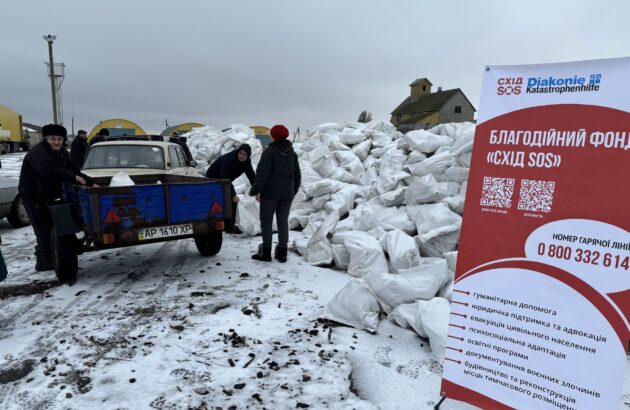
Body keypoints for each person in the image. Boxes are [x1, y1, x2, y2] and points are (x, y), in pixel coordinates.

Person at [18, 124, 97, 273]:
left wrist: (90, 182)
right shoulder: (38, 153)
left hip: (50, 194)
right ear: (45, 138)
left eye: (59, 139)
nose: (56, 142)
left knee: (55, 226)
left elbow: (73, 169)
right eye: (52, 139)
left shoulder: (62, 153)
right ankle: (44, 262)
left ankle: (55, 256)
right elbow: (49, 172)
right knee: (42, 229)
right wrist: (74, 177)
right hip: (34, 196)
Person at [249, 125, 301, 262]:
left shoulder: (269, 153)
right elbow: (297, 175)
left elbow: (262, 174)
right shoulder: (292, 154)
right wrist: (293, 191)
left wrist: (255, 190)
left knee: (266, 222)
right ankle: (282, 252)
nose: (269, 136)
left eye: (271, 134)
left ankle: (266, 252)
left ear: (274, 137)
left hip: (270, 195)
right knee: (282, 222)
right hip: (286, 195)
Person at [205, 144, 256, 233]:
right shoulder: (229, 160)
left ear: (248, 156)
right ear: (238, 152)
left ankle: (228, 226)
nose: (242, 156)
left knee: (230, 200)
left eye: (244, 154)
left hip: (225, 180)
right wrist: (234, 195)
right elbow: (224, 179)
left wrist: (257, 191)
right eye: (240, 153)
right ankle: (229, 227)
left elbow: (252, 176)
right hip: (212, 179)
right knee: (231, 200)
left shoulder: (247, 162)